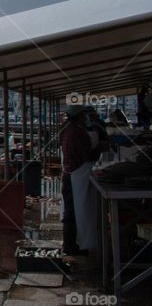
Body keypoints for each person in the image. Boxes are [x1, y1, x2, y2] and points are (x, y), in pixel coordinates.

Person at [60, 105, 102, 255]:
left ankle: (72, 244)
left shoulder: (67, 129)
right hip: (74, 175)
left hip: (70, 173)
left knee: (71, 211)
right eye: (84, 115)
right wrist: (99, 149)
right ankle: (70, 246)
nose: (86, 118)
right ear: (79, 116)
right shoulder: (76, 132)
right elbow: (86, 154)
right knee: (73, 212)